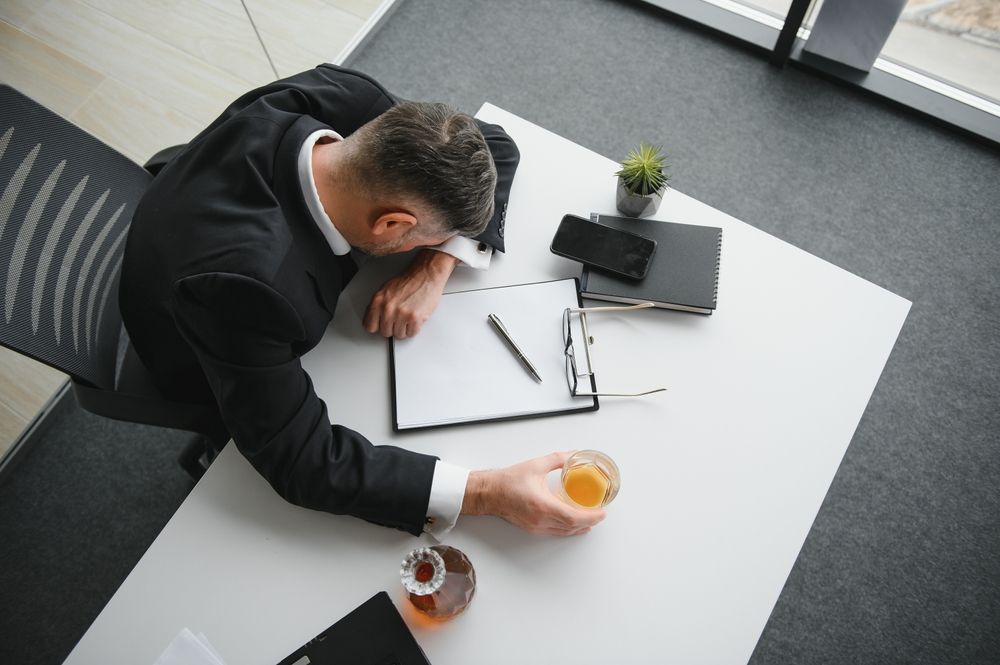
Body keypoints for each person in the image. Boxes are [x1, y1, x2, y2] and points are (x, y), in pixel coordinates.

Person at [120, 64, 603, 539]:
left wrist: (434, 267)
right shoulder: (247, 290)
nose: (434, 246)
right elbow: (302, 462)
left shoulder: (343, 99)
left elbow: (494, 144)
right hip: (200, 352)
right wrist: (484, 492)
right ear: (392, 225)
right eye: (430, 239)